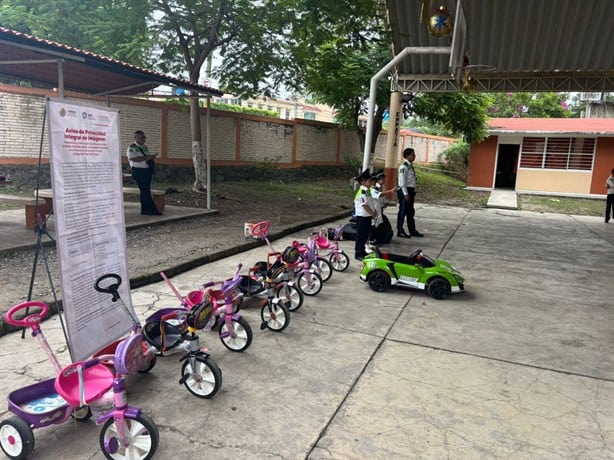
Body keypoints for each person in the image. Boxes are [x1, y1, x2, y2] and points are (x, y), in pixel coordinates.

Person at [127, 130, 162, 215]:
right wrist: (147, 157)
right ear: (135, 138)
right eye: (141, 137)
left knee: (144, 191)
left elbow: (146, 157)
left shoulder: (145, 147)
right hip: (138, 171)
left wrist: (151, 157)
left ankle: (145, 210)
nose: (143, 139)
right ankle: (152, 210)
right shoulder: (132, 148)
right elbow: (133, 159)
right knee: (145, 191)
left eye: (144, 137)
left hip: (146, 171)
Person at [397, 148, 423, 238]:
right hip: (405, 191)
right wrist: (406, 193)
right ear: (408, 155)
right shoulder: (403, 167)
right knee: (403, 211)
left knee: (410, 212)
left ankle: (412, 230)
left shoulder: (410, 166)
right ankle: (400, 230)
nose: (414, 156)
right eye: (413, 154)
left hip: (410, 191)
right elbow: (402, 181)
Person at [353, 169, 376, 261]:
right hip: (362, 217)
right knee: (361, 236)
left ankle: (362, 251)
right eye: (369, 181)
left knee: (365, 235)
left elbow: (370, 203)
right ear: (363, 182)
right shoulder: (362, 192)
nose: (371, 182)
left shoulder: (367, 190)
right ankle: (358, 253)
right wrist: (373, 213)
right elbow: (365, 205)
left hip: (367, 216)